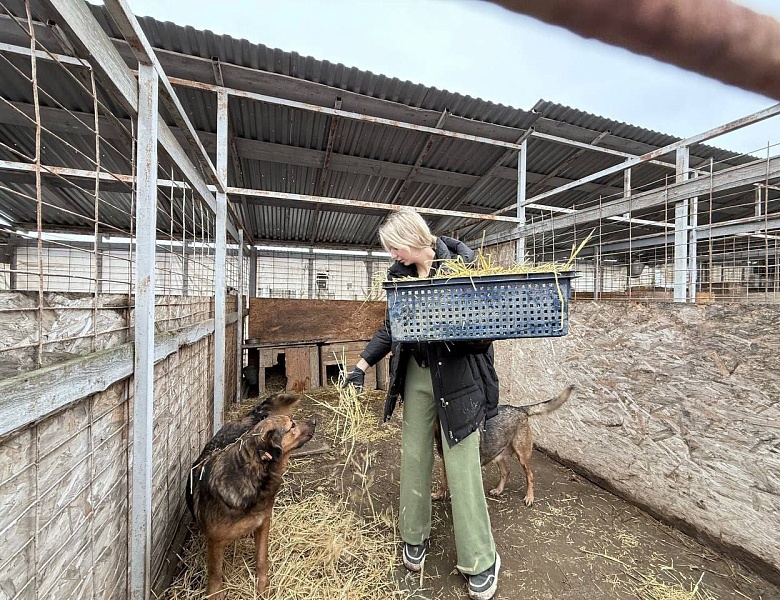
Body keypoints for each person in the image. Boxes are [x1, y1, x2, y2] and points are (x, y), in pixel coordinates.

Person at [344, 208, 501, 600]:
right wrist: (361, 364)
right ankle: (414, 534)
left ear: (413, 237)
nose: (392, 254)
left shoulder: (461, 265)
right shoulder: (399, 277)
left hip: (457, 377)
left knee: (462, 463)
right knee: (414, 456)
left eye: (394, 246)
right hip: (415, 376)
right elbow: (391, 327)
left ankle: (480, 558)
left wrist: (477, 336)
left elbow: (485, 324)